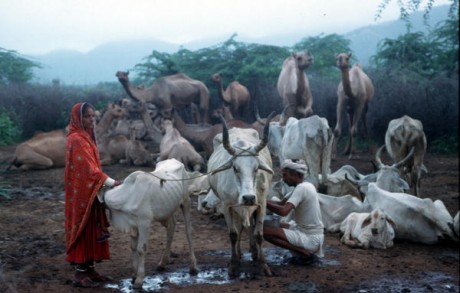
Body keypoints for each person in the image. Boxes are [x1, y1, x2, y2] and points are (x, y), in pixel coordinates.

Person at [64, 102, 122, 287]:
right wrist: (112, 183)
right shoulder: (76, 139)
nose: (91, 120)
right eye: (87, 116)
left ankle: (90, 270)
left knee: (92, 228)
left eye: (93, 116)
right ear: (78, 118)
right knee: (84, 228)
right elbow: (89, 170)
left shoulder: (86, 136)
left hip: (90, 190)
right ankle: (80, 274)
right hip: (82, 193)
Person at [263, 159, 324, 265]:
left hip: (310, 238)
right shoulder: (304, 186)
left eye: (285, 175)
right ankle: (303, 252)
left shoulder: (302, 188)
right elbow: (281, 203)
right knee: (278, 224)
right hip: (309, 233)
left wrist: (261, 202)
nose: (283, 179)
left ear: (295, 174)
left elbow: (283, 211)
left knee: (265, 231)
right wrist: (259, 199)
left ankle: (305, 254)